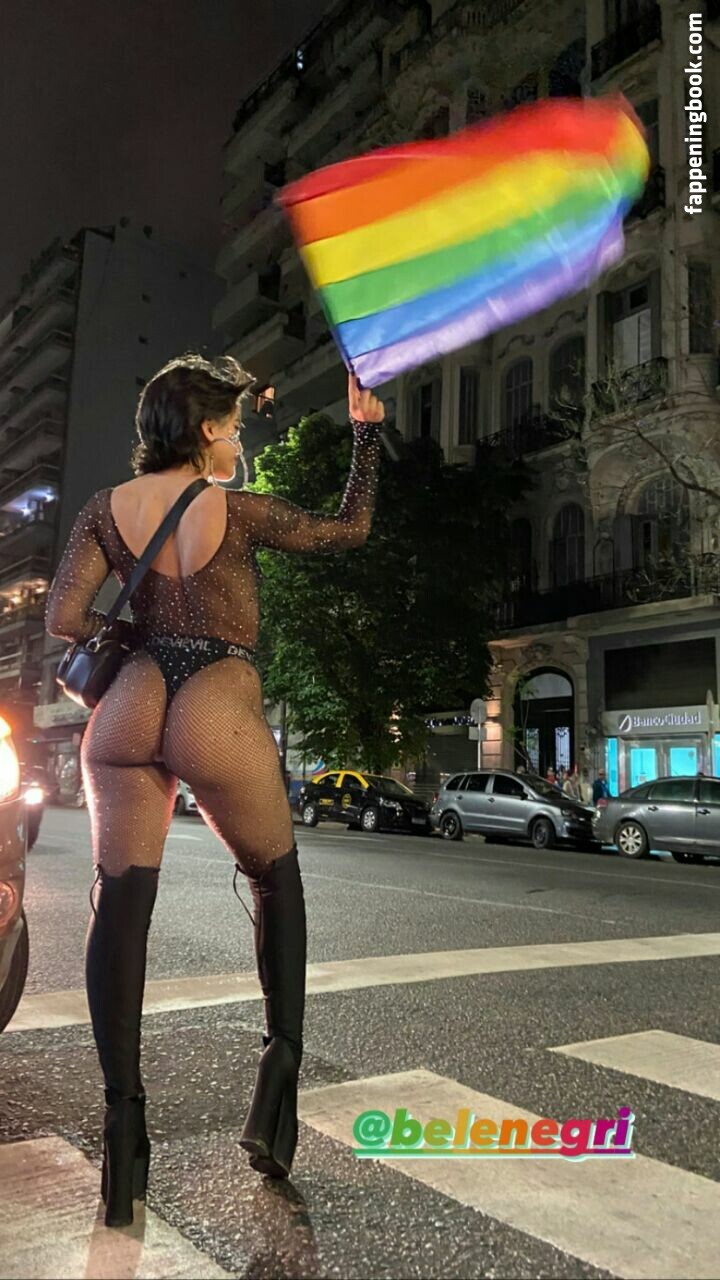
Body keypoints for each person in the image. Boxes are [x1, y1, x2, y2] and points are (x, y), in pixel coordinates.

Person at [44, 353, 384, 1226]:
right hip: (214, 699)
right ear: (204, 431)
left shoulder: (103, 510)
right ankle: (275, 1094)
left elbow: (64, 619)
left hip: (127, 707)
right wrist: (366, 438)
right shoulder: (238, 510)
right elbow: (347, 531)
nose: (240, 443)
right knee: (275, 878)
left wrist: (137, 636)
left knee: (120, 907)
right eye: (234, 428)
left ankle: (125, 1141)